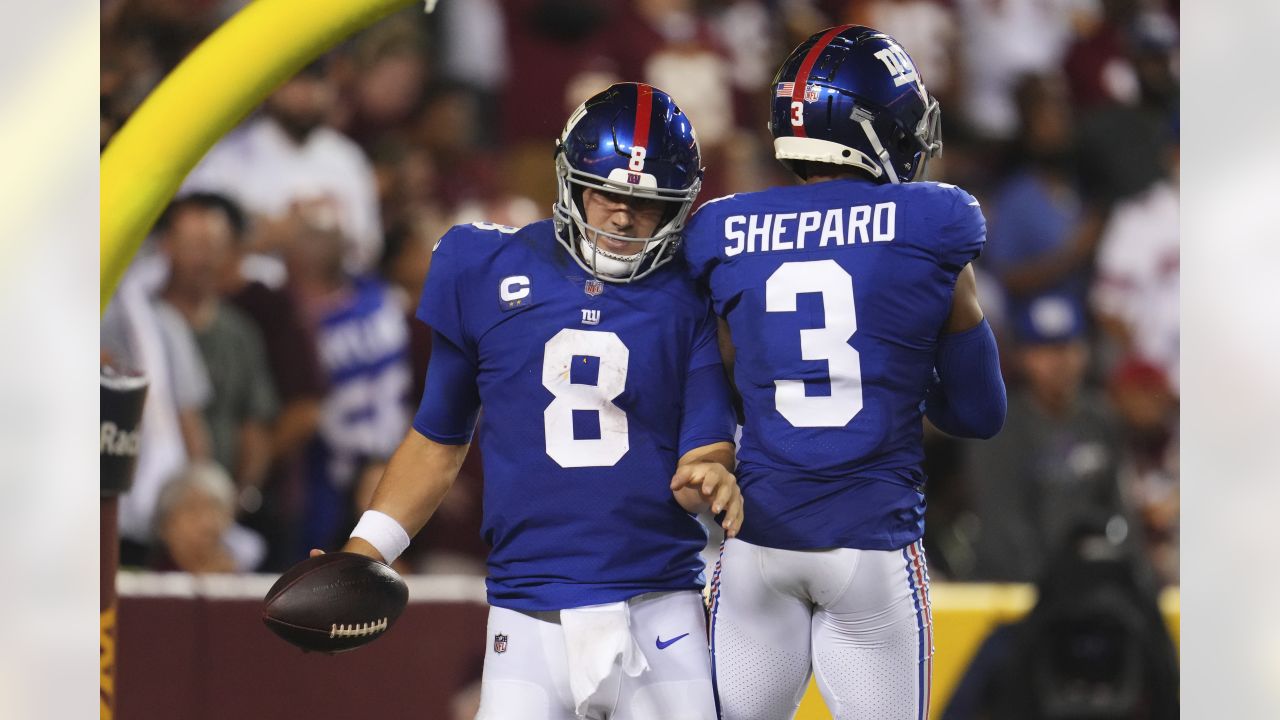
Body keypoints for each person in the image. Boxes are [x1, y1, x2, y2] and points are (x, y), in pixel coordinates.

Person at [315, 83, 742, 720]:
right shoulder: (482, 266)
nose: (623, 217)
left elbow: (707, 440)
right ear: (570, 182)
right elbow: (437, 440)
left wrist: (710, 473)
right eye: (608, 194)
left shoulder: (689, 292)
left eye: (645, 203)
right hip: (527, 607)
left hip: (657, 601)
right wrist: (364, 552)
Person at [681, 26, 1007, 720]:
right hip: (871, 542)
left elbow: (694, 358)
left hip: (754, 544)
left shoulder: (720, 228)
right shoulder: (935, 220)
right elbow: (979, 413)